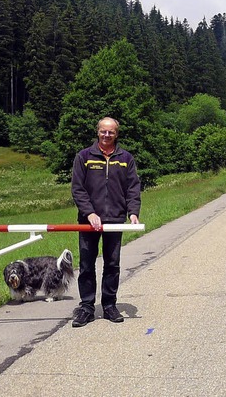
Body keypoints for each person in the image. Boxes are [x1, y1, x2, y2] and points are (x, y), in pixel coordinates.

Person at [70, 117, 141, 327]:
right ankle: (86, 307)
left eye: (110, 132)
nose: (106, 135)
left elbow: (132, 188)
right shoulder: (84, 156)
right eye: (103, 131)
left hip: (114, 219)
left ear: (116, 134)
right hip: (88, 221)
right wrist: (90, 212)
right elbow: (77, 189)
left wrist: (133, 212)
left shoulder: (125, 158)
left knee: (112, 264)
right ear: (98, 132)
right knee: (86, 265)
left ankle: (109, 305)